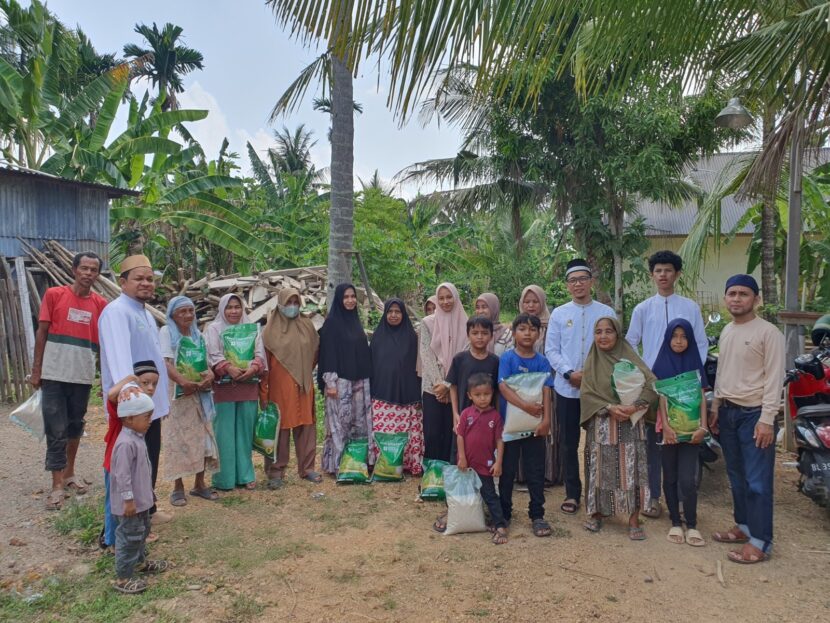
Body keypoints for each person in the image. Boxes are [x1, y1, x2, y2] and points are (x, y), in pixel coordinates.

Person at [625, 250, 708, 520]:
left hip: (684, 389)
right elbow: (630, 344)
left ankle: (685, 498)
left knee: (685, 439)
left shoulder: (690, 307)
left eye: (668, 270)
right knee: (654, 442)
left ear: (677, 274)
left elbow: (702, 343)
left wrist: (690, 378)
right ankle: (654, 497)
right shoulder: (643, 308)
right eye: (658, 271)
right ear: (652, 275)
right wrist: (644, 375)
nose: (663, 275)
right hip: (654, 386)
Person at [710, 275, 784, 564]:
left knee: (757, 481)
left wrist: (767, 419)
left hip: (755, 415)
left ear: (756, 299)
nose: (736, 299)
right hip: (728, 412)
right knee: (737, 477)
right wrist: (716, 406)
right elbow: (723, 373)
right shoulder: (727, 330)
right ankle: (743, 526)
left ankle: (761, 540)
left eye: (743, 294)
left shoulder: (769, 333)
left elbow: (775, 379)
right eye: (732, 293)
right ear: (725, 298)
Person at [30, 251, 107, 510]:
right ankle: (56, 486)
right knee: (56, 428)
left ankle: (70, 473)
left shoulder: (100, 304)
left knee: (75, 425)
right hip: (53, 373)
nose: (88, 273)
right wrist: (37, 370)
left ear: (98, 275)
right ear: (75, 270)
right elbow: (42, 334)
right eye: (84, 268)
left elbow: (105, 344)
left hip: (82, 376)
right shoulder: (54, 295)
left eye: (93, 270)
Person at [99, 255, 170, 522]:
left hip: (150, 405)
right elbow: (119, 360)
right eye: (139, 278)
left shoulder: (145, 314)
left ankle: (147, 510)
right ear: (123, 282)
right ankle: (125, 525)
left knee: (147, 460)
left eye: (150, 279)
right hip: (133, 408)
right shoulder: (117, 312)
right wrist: (129, 399)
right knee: (130, 464)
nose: (146, 284)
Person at [545, 259, 615, 514]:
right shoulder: (560, 314)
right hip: (568, 388)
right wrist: (568, 373)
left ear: (591, 282)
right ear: (567, 285)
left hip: (598, 391)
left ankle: (600, 494)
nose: (578, 284)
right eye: (573, 280)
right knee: (569, 443)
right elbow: (551, 349)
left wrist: (594, 376)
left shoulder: (606, 313)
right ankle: (573, 494)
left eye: (582, 279)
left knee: (600, 443)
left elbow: (613, 350)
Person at [580, 317, 657, 540]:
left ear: (618, 334)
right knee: (599, 468)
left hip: (631, 423)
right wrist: (609, 407)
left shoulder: (629, 356)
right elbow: (586, 393)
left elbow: (652, 383)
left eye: (608, 331)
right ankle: (597, 513)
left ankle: (633, 519)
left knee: (631, 469)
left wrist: (633, 406)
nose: (603, 336)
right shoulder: (592, 361)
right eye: (598, 331)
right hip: (602, 423)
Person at [652, 319, 709, 547]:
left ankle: (692, 524)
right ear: (668, 338)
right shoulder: (661, 364)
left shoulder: (695, 363)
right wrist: (665, 426)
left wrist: (703, 427)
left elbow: (702, 395)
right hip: (668, 432)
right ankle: (675, 521)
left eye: (684, 336)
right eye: (674, 336)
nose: (678, 341)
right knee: (671, 476)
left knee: (688, 479)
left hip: (692, 432)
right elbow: (661, 398)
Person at [158, 296, 219, 505]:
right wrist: (183, 382)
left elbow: (205, 362)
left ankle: (200, 484)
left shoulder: (198, 335)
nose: (187, 315)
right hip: (178, 395)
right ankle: (177, 487)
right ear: (172, 315)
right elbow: (166, 363)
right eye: (182, 311)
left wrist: (209, 375)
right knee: (177, 439)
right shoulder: (167, 333)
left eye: (190, 311)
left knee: (202, 437)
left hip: (199, 394)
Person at [498, 314, 554, 538]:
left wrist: (546, 420)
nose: (528, 333)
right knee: (507, 471)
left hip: (535, 428)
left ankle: (537, 515)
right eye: (522, 329)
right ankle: (503, 513)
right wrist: (526, 406)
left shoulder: (542, 361)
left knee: (536, 471)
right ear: (513, 332)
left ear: (539, 334)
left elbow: (547, 390)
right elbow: (502, 388)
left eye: (532, 329)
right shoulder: (507, 359)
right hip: (509, 427)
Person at [260, 288, 321, 488]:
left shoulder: (307, 325)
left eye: (296, 302)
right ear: (280, 304)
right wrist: (264, 392)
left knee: (306, 425)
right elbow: (264, 364)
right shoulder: (270, 331)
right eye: (288, 302)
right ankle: (276, 471)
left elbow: (315, 353)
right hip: (280, 387)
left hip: (303, 385)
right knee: (281, 429)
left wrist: (303, 372)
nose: (292, 306)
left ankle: (307, 468)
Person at [204, 294, 266, 491]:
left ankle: (246, 475)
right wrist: (227, 367)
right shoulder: (214, 329)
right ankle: (224, 479)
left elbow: (260, 354)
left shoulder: (252, 328)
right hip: (224, 389)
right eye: (229, 307)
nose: (233, 311)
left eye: (237, 307)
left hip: (248, 387)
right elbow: (212, 354)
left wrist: (253, 368)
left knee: (245, 434)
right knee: (224, 435)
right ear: (222, 309)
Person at [110, 391, 169, 594]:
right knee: (129, 538)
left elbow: (142, 472)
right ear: (129, 418)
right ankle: (123, 577)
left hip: (141, 502)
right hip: (130, 505)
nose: (150, 421)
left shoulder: (137, 438)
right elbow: (122, 476)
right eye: (146, 417)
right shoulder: (126, 443)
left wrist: (149, 494)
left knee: (141, 533)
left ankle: (140, 563)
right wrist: (128, 500)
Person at [318, 283, 373, 475]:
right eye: (346, 297)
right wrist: (330, 383)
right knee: (339, 425)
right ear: (339, 300)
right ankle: (336, 464)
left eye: (352, 297)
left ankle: (355, 464)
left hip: (359, 381)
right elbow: (328, 354)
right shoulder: (332, 323)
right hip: (339, 382)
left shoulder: (355, 321)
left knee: (358, 424)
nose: (350, 300)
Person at [368, 298, 424, 475]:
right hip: (382, 394)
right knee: (384, 430)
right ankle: (385, 463)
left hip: (408, 395)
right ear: (385, 314)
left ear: (403, 314)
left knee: (407, 430)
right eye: (390, 312)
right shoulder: (377, 336)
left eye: (397, 312)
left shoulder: (412, 337)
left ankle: (408, 464)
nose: (393, 315)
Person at [419, 282, 468, 462]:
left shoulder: (466, 323)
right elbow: (425, 353)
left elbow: (465, 354)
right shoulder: (427, 323)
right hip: (433, 388)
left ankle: (449, 475)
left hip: (455, 387)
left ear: (455, 298)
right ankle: (431, 478)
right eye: (441, 298)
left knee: (452, 432)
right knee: (432, 433)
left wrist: (448, 384)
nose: (446, 301)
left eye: (449, 297)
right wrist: (440, 384)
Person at [457, 373, 507, 545]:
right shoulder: (466, 414)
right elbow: (460, 436)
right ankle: (462, 519)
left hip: (485, 466)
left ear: (492, 393)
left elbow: (500, 440)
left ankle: (500, 525)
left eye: (486, 394)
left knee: (490, 495)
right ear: (469, 395)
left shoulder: (495, 417)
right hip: (467, 465)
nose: (482, 398)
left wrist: (498, 462)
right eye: (478, 395)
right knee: (464, 495)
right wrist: (462, 457)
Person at [447, 316, 500, 434]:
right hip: (463, 416)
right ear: (468, 335)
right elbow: (453, 387)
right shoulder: (459, 359)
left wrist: (498, 415)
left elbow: (496, 392)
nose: (480, 337)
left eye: (484, 333)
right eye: (475, 333)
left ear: (491, 336)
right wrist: (455, 414)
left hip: (488, 418)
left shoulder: (495, 361)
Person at [518, 285, 550, 354]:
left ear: (542, 303)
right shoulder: (516, 326)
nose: (531, 305)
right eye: (527, 302)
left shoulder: (552, 326)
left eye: (535, 302)